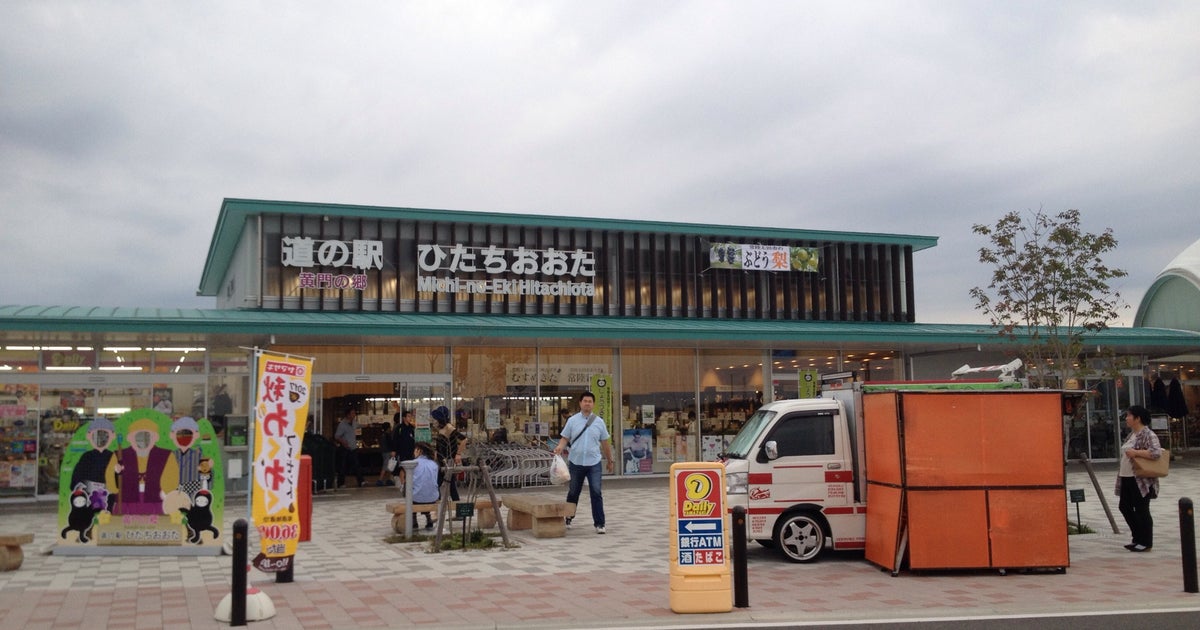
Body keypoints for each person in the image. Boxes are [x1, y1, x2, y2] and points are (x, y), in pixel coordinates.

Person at [553, 391, 615, 534]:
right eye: (585, 401)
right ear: (580, 403)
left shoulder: (599, 422)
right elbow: (565, 438)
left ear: (593, 404)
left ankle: (600, 523)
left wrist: (610, 460)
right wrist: (559, 448)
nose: (587, 403)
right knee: (574, 491)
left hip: (594, 463)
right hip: (576, 462)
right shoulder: (572, 420)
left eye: (590, 401)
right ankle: (568, 517)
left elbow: (605, 443)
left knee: (596, 491)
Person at [1116, 405, 1162, 552]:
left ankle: (1146, 542)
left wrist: (1136, 452)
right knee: (1124, 507)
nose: (1126, 418)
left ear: (1138, 418)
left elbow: (1156, 453)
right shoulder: (1132, 434)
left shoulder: (1148, 434)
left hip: (1140, 479)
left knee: (1142, 509)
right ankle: (1137, 538)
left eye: (1129, 416)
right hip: (1126, 477)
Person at [432, 406, 466, 502]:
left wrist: (458, 454)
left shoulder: (449, 428)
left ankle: (437, 505)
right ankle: (441, 505)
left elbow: (463, 439)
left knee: (438, 484)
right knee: (449, 485)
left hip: (447, 460)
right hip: (442, 460)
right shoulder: (442, 428)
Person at [410, 441, 439, 529]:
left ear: (419, 451)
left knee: (411, 491)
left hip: (416, 498)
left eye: (415, 450)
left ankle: (414, 520)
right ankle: (428, 518)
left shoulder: (413, 463)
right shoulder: (434, 464)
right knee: (425, 488)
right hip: (433, 497)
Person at [334, 409, 364, 488]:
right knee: (343, 465)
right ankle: (341, 483)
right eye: (352, 413)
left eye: (354, 413)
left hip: (353, 447)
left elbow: (359, 425)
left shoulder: (354, 422)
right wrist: (343, 442)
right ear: (348, 415)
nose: (354, 415)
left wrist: (367, 425)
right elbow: (337, 436)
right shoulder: (342, 424)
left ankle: (361, 481)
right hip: (345, 448)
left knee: (357, 464)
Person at [392, 409, 416, 494]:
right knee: (402, 468)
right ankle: (402, 484)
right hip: (401, 451)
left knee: (411, 468)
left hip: (410, 451)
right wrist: (394, 450)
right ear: (404, 418)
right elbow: (395, 439)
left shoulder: (412, 428)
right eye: (408, 416)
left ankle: (409, 484)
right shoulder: (399, 428)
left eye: (411, 416)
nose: (410, 418)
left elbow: (414, 439)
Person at [376, 421, 393, 486]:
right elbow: (389, 444)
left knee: (388, 466)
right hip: (387, 452)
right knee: (386, 466)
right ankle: (380, 480)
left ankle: (388, 479)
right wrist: (392, 451)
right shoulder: (387, 435)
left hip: (384, 452)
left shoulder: (382, 435)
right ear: (388, 428)